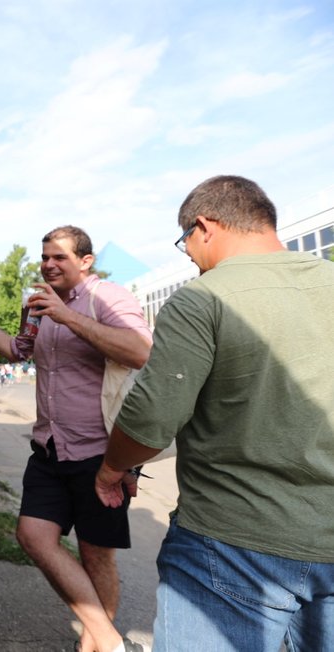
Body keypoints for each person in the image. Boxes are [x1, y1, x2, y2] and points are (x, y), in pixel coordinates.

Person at [95, 176, 334, 652]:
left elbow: (150, 419)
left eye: (185, 240)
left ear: (205, 226)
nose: (187, 253)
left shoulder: (203, 297)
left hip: (232, 540)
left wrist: (111, 469)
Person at [0, 225, 152, 652]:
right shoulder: (39, 305)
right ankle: (109, 639)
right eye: (45, 257)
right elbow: (16, 351)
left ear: (85, 261)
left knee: (96, 555)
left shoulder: (108, 298)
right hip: (47, 448)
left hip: (100, 455)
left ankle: (94, 644)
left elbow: (139, 350)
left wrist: (68, 315)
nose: (48, 264)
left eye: (59, 257)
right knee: (32, 535)